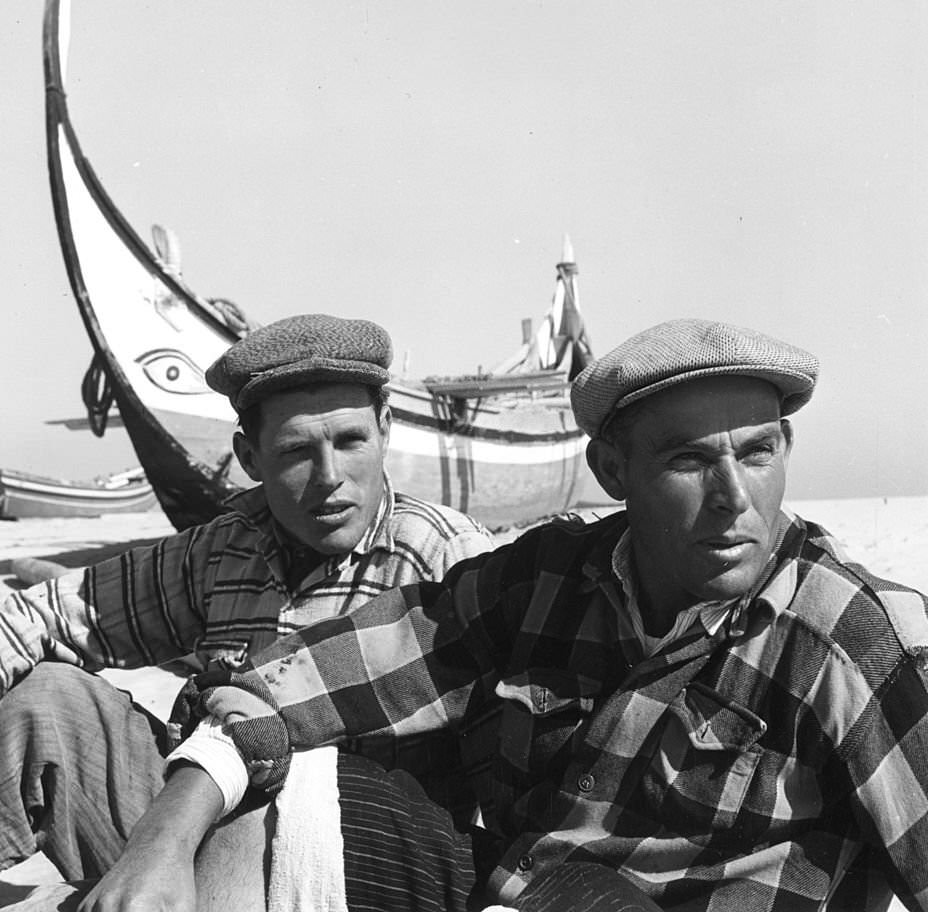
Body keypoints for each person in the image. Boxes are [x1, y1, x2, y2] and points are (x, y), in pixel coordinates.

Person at [51, 318, 928, 912]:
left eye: (759, 452)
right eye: (689, 461)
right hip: (510, 890)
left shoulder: (853, 640)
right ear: (614, 472)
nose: (735, 498)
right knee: (277, 803)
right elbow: (300, 686)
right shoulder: (548, 578)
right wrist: (160, 845)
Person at [0, 313, 492, 890]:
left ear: (385, 428)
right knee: (48, 703)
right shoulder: (223, 548)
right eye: (295, 451)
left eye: (351, 440)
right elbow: (41, 615)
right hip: (184, 829)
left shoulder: (446, 559)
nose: (330, 476)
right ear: (250, 457)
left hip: (350, 864)